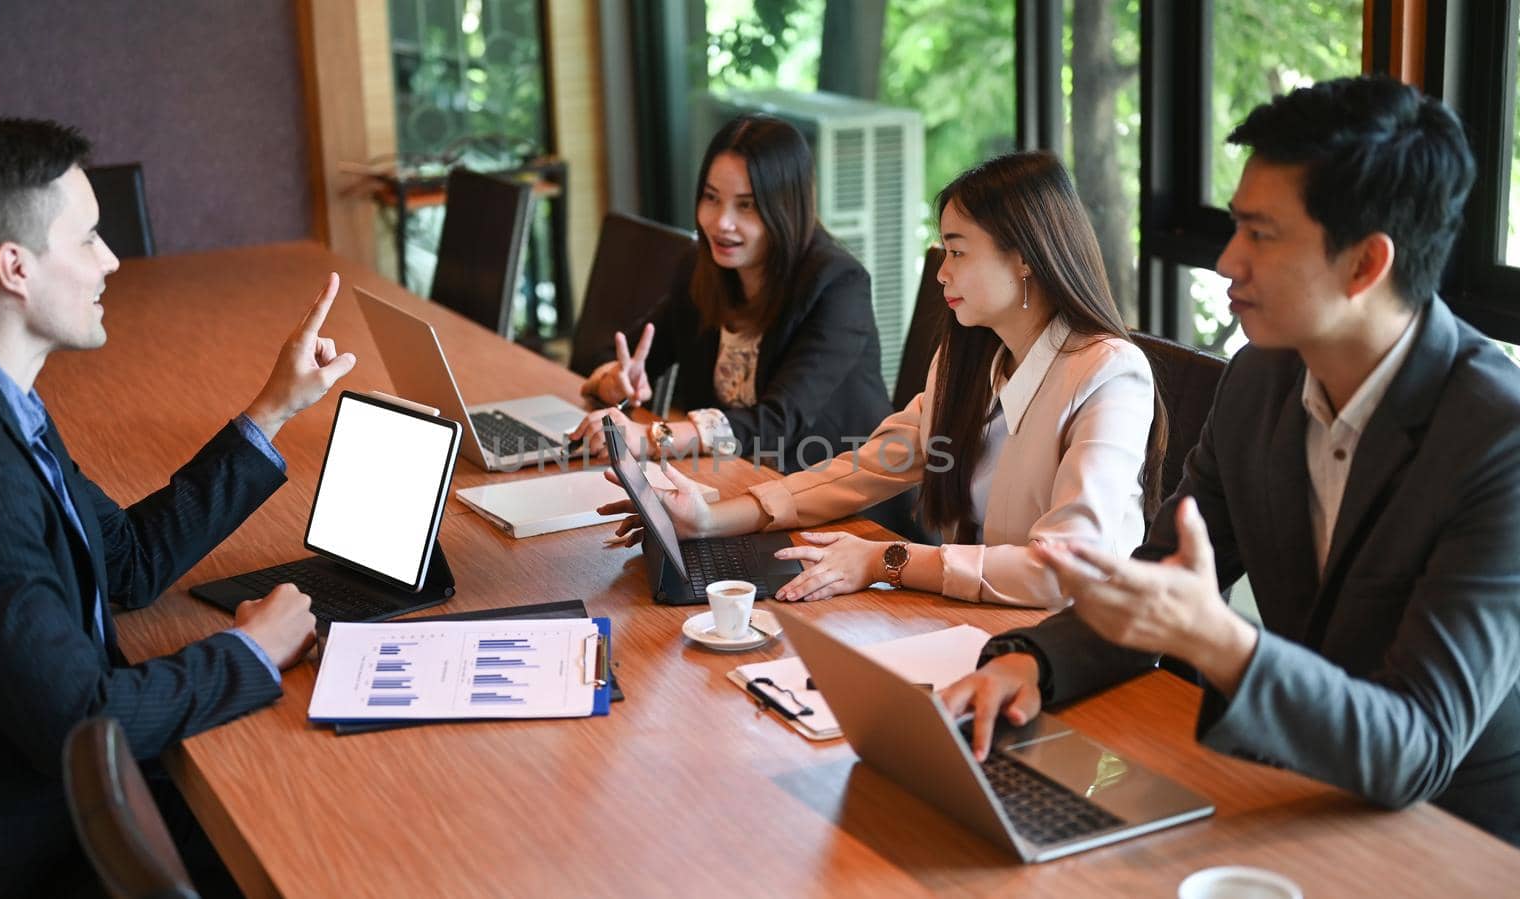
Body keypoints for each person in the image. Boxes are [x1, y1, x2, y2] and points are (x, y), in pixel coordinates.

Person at [941, 76, 1520, 845]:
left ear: (1364, 265)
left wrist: (1217, 637)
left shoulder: (1498, 437)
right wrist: (1031, 662)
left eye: (1261, 234)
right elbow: (1158, 580)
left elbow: (1418, 745)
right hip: (1286, 790)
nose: (1225, 261)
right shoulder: (1258, 379)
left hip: (1450, 835)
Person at [0, 119, 355, 895]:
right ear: (14, 268)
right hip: (26, 848)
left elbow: (124, 560)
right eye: (88, 238)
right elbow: (79, 721)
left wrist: (274, 408)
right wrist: (253, 648)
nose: (112, 259)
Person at [602, 151, 1164, 608]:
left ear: (1024, 259)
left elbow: (1061, 571)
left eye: (957, 252)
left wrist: (885, 561)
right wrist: (709, 519)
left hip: (1070, 651)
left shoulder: (1109, 376)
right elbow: (865, 469)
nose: (942, 271)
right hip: (967, 622)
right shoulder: (971, 358)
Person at [569, 113, 890, 473]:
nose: (721, 222)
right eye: (711, 197)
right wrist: (612, 381)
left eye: (746, 205)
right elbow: (613, 357)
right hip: (734, 481)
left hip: (840, 502)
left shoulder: (838, 285)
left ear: (786, 207)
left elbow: (776, 423)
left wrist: (650, 437)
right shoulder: (701, 268)